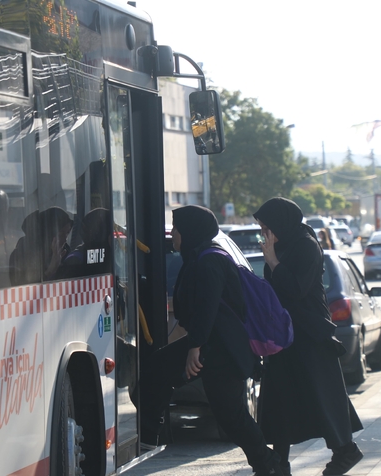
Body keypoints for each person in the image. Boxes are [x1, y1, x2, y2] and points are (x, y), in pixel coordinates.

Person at [132, 205, 286, 476]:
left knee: (232, 417)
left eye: (177, 228)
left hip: (222, 350)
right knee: (156, 370)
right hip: (214, 346)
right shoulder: (198, 257)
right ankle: (150, 436)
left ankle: (270, 465)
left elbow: (208, 308)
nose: (174, 235)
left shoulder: (209, 260)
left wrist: (195, 347)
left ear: (190, 230)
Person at [254, 198, 363, 476]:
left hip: (310, 334)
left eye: (267, 227)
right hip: (285, 335)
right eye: (262, 228)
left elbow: (295, 289)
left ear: (281, 223)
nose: (264, 234)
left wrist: (273, 261)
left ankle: (345, 452)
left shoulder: (305, 245)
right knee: (281, 398)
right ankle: (279, 463)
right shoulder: (284, 245)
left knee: (322, 396)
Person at [9, 207, 72, 285]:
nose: (65, 239)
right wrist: (50, 270)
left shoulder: (66, 252)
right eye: (60, 234)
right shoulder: (19, 256)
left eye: (67, 233)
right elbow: (22, 291)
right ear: (48, 234)